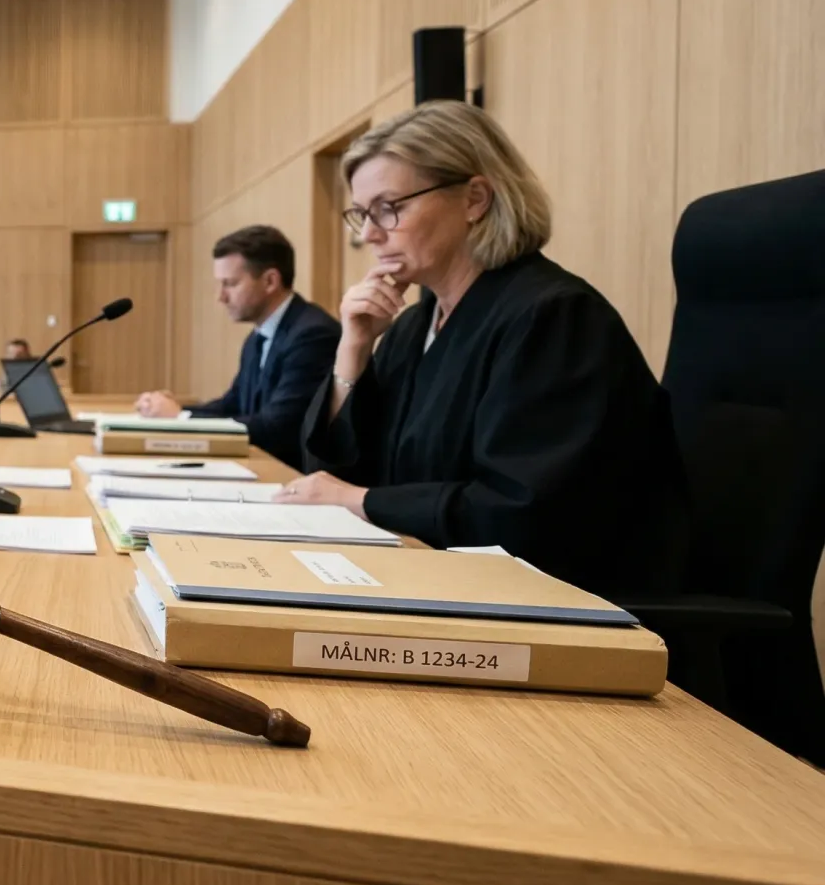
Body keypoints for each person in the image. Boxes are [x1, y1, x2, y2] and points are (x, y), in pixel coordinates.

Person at [277, 100, 687, 601]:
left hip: (548, 609)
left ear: (474, 199)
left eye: (390, 208)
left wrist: (358, 500)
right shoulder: (413, 327)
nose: (368, 234)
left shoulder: (554, 319)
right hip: (434, 582)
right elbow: (335, 475)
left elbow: (519, 515)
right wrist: (354, 348)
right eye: (362, 214)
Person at [133, 226, 341, 470]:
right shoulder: (257, 338)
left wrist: (180, 418)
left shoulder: (312, 335)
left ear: (270, 281)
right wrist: (175, 411)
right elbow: (232, 405)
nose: (220, 297)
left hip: (294, 476)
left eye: (230, 284)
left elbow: (278, 428)